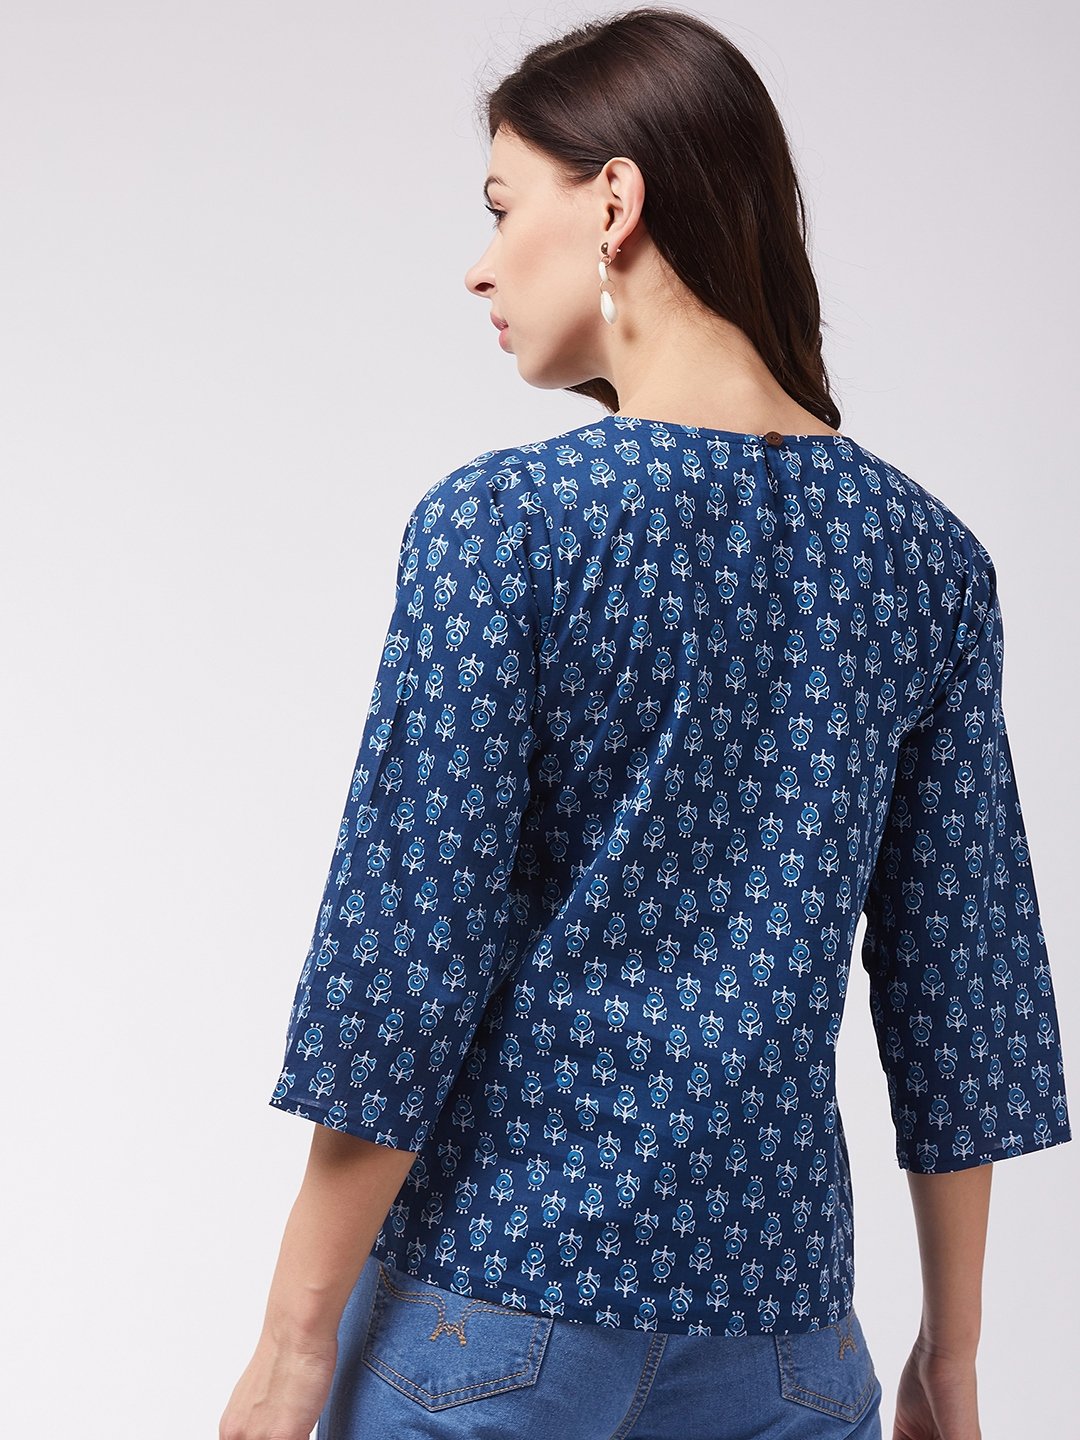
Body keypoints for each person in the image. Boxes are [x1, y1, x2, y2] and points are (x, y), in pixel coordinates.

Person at [220, 9, 1072, 1439]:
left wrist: (293, 1346)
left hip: (498, 1314)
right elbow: (962, 995)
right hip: (791, 1348)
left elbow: (404, 960)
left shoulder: (507, 527)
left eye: (503, 208)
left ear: (613, 202)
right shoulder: (928, 562)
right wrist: (952, 1355)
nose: (480, 264)